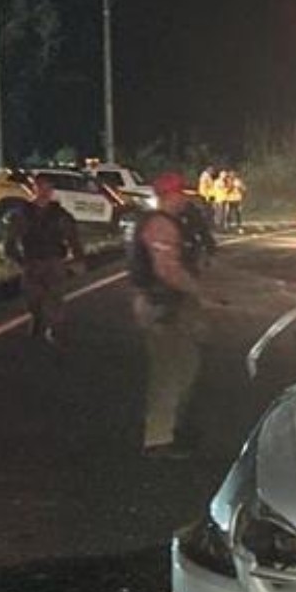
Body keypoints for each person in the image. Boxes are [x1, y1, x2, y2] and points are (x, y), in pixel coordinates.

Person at [131, 172, 208, 459]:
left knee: (185, 366)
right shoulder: (160, 226)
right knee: (169, 372)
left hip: (169, 305)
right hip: (162, 306)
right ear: (169, 195)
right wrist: (199, 291)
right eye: (180, 193)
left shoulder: (172, 223)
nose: (184, 198)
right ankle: (158, 439)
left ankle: (170, 430)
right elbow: (167, 270)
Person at [3, 173, 85, 345]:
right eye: (41, 187)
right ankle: (37, 317)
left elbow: (73, 237)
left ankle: (54, 329)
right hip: (32, 261)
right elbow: (10, 241)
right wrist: (19, 260)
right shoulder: (24, 213)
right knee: (32, 297)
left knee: (56, 296)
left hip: (54, 260)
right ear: (34, 188)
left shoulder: (59, 214)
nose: (45, 191)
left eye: (49, 188)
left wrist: (78, 258)